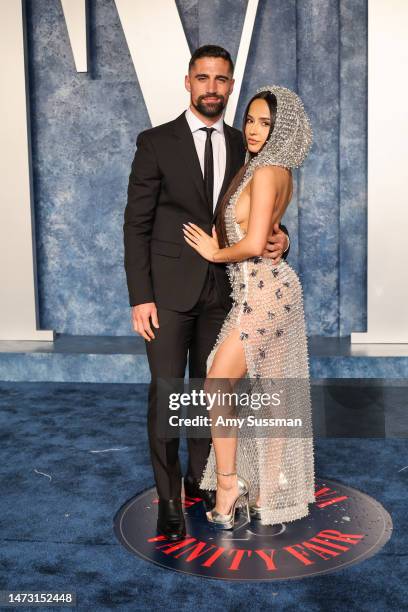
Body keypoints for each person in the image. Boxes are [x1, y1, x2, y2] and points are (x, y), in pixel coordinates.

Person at [123, 46, 291, 541]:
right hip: (168, 294)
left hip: (226, 292)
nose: (212, 87)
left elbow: (261, 217)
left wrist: (283, 239)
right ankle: (170, 496)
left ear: (231, 85)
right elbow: (137, 226)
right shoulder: (155, 143)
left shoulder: (248, 143)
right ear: (188, 82)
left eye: (221, 79)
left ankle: (204, 483)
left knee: (211, 391)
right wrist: (141, 296)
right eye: (203, 78)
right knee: (168, 394)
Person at [183, 85, 315, 528]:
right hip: (269, 290)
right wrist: (279, 239)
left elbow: (257, 242)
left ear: (282, 129)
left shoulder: (265, 171)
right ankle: (267, 490)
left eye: (267, 123)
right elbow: (268, 235)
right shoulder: (266, 168)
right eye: (252, 120)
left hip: (264, 293)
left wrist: (213, 254)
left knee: (217, 382)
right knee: (273, 395)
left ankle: (228, 485)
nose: (255, 130)